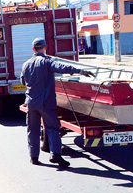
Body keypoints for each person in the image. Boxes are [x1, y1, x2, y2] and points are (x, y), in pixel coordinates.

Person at [20, 38, 95, 168]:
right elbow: (61, 68)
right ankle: (55, 155)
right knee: (52, 128)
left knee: (32, 130)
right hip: (46, 103)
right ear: (45, 47)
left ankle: (34, 157)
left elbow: (23, 81)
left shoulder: (26, 64)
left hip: (31, 103)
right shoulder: (47, 62)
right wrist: (80, 71)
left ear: (33, 49)